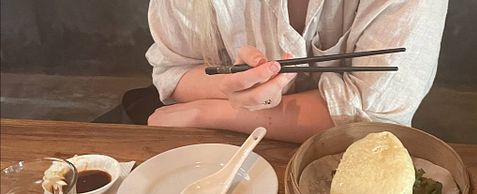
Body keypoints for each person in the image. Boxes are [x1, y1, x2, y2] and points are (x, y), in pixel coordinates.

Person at [146, 0, 448, 143]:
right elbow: (176, 69)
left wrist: (209, 113)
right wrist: (234, 86)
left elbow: (378, 114)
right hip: (220, 153)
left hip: (352, 158)